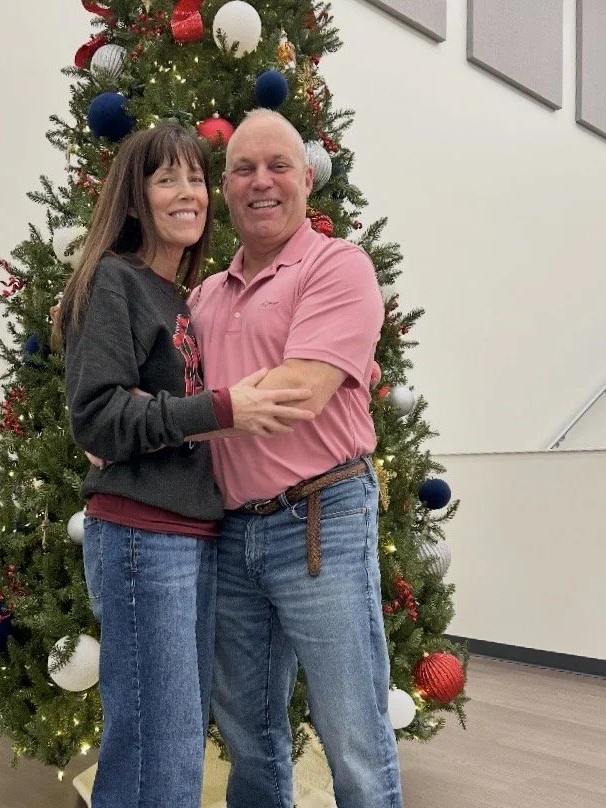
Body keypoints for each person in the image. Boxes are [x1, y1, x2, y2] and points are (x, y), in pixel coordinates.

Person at [52, 122, 314, 808]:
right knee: (155, 753)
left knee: (172, 743)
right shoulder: (114, 281)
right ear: (134, 200)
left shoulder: (181, 299)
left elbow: (154, 408)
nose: (187, 193)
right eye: (166, 179)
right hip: (141, 537)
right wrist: (218, 410)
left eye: (196, 178)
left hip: (191, 538)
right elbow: (98, 415)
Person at [189, 109, 404, 808]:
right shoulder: (200, 299)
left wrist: (178, 421)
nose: (261, 182)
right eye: (243, 169)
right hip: (226, 534)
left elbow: (299, 392)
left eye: (277, 166)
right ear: (224, 188)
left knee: (352, 735)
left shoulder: (335, 265)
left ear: (306, 179)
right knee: (248, 738)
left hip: (322, 520)